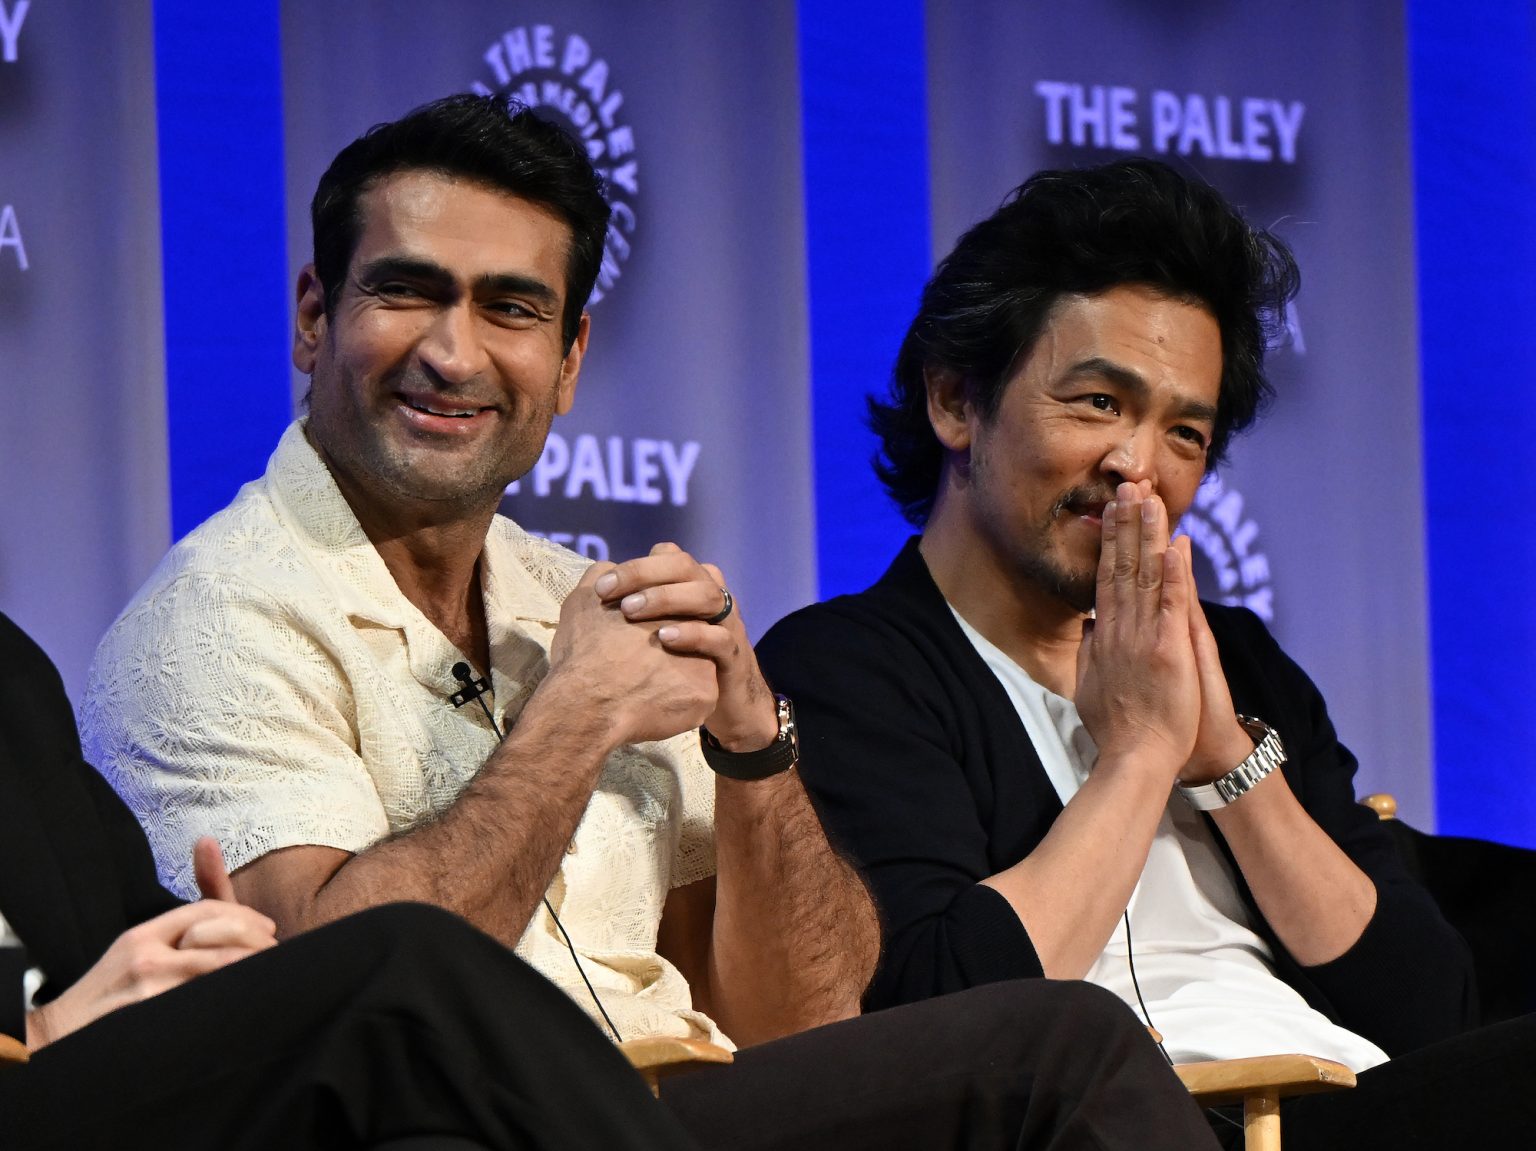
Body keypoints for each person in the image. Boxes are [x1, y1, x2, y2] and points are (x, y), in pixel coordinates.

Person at [81, 96, 1223, 1149]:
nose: (453, 350)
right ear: (315, 316)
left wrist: (754, 747)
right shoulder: (215, 624)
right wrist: (571, 720)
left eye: (512, 308)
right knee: (1060, 1052)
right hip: (468, 1123)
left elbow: (801, 1018)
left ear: (569, 361)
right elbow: (340, 1005)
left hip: (677, 1108)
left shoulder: (581, 594)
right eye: (409, 290)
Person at [756, 158, 1536, 1147]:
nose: (1140, 466)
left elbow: (1434, 1008)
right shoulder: (848, 668)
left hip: (1355, 1110)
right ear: (956, 400)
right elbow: (942, 1014)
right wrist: (1138, 754)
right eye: (1096, 402)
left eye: (1186, 431)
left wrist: (1225, 760)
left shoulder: (1238, 660)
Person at [0, 609, 703, 1151]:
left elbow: (119, 930)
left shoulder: (11, 669)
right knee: (402, 965)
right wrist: (42, 1022)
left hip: (101, 1089)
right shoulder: (217, 617)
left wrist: (213, 962)